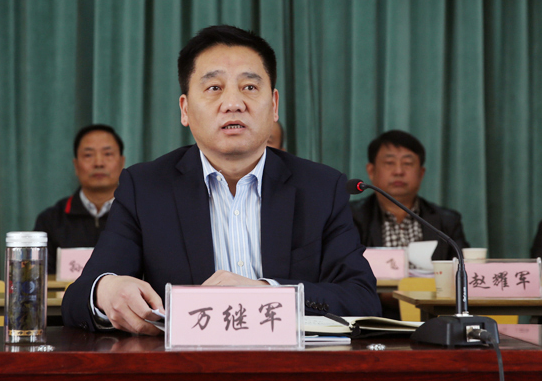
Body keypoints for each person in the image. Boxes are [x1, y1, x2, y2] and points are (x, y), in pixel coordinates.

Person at [62, 25, 381, 334]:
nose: (233, 104)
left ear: (274, 106)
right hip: (187, 364)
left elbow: (363, 299)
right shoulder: (145, 188)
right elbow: (77, 299)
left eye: (249, 87)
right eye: (214, 88)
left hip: (291, 363)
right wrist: (104, 290)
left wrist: (269, 293)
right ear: (185, 110)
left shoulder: (321, 188)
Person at [350, 130, 469, 260]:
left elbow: (463, 267)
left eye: (407, 163)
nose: (399, 171)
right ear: (371, 171)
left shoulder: (447, 221)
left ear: (421, 173)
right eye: (389, 163)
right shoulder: (348, 217)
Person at [34, 124, 126, 274]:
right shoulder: (50, 220)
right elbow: (40, 278)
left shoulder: (139, 216)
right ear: (76, 166)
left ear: (122, 163)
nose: (98, 163)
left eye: (108, 154)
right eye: (88, 155)